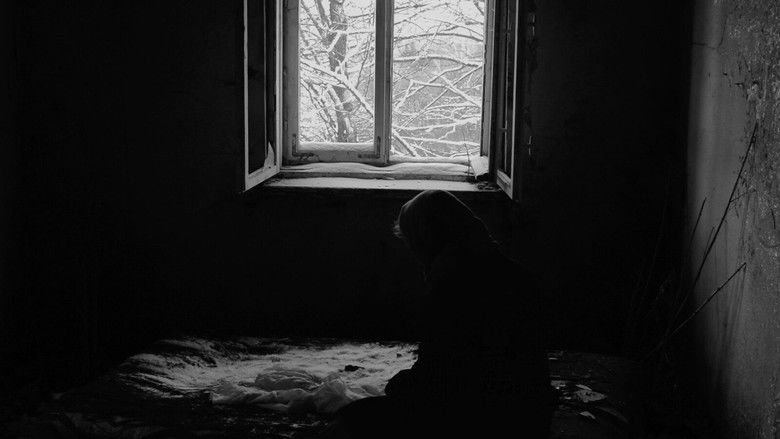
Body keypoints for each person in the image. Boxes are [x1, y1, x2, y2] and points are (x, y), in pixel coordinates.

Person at [321, 190, 553, 438]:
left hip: (484, 419)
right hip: (531, 416)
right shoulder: (514, 274)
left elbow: (443, 380)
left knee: (351, 419)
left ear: (427, 240)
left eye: (415, 246)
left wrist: (399, 385)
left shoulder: (451, 288)